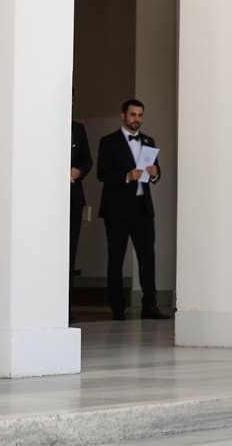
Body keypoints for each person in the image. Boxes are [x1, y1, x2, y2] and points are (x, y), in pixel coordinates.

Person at [96, 99, 169, 321]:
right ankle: (117, 308)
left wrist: (155, 172)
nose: (136, 119)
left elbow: (156, 175)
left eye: (140, 115)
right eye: (133, 115)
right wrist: (128, 176)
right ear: (123, 116)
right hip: (117, 210)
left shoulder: (148, 140)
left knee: (148, 258)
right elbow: (102, 174)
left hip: (142, 208)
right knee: (116, 258)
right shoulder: (108, 141)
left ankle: (150, 306)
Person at [69, 118, 92, 323]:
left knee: (69, 253)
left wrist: (78, 171)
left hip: (72, 198)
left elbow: (87, 160)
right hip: (44, 197)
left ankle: (65, 307)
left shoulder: (77, 128)